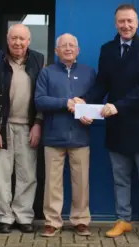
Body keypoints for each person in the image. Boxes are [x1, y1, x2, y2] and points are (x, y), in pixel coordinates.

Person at [74, 4, 139, 243]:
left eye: (130, 21)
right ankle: (123, 219)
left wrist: (119, 106)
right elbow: (103, 83)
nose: (126, 25)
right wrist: (86, 102)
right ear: (116, 24)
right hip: (116, 125)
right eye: (122, 21)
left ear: (137, 23)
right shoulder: (108, 49)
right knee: (120, 177)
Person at [0, 23, 44, 234]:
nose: (18, 43)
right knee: (1, 173)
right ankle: (4, 217)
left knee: (27, 173)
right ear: (8, 40)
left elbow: (42, 96)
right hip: (3, 126)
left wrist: (38, 123)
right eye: (14, 38)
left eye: (22, 39)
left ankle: (24, 215)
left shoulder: (38, 60)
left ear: (29, 41)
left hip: (28, 126)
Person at [35, 33, 96, 237]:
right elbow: (40, 100)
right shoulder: (47, 73)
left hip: (80, 136)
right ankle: (52, 221)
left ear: (78, 50)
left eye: (72, 45)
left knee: (81, 181)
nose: (68, 48)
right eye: (64, 45)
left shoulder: (89, 73)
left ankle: (80, 220)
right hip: (53, 136)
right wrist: (66, 103)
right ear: (56, 51)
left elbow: (95, 98)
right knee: (52, 183)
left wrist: (87, 110)